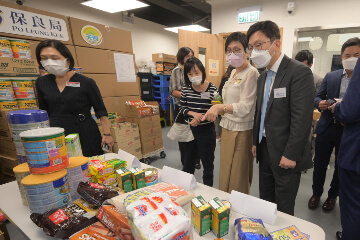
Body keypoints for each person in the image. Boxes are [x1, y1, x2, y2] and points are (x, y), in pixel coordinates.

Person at [248, 21, 314, 215]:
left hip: (286, 152)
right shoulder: (262, 77)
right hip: (265, 147)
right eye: (251, 47)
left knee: (284, 208)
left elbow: (302, 118)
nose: (254, 51)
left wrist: (291, 154)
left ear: (276, 44)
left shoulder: (298, 72)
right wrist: (255, 141)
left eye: (259, 45)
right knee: (266, 201)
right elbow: (260, 112)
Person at [202, 32, 259, 194]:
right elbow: (229, 100)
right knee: (226, 169)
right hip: (227, 128)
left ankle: (237, 210)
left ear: (247, 51)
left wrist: (222, 108)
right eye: (229, 50)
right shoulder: (233, 72)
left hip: (242, 130)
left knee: (238, 176)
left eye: (237, 49)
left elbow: (245, 107)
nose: (232, 54)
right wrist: (218, 104)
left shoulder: (251, 73)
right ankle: (225, 205)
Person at [35, 40, 114, 157]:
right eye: (44, 58)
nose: (49, 62)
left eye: (54, 58)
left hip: (85, 130)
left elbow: (100, 110)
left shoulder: (86, 82)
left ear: (68, 59)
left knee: (91, 165)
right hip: (58, 134)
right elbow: (44, 112)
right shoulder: (41, 82)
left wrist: (107, 134)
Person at [308, 37, 360, 212]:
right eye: (348, 55)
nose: (352, 58)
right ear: (342, 56)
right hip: (327, 126)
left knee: (340, 165)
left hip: (349, 130)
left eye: (357, 55)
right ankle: (316, 193)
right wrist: (319, 103)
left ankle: (332, 196)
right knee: (320, 163)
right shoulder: (331, 76)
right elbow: (318, 96)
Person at [329, 57, 360, 240]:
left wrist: (337, 107)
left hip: (355, 153)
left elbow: (349, 110)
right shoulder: (331, 77)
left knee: (354, 207)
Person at [180, 57, 218, 186]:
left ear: (202, 71)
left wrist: (200, 119)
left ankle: (208, 189)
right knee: (188, 163)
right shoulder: (186, 89)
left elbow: (217, 110)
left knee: (208, 165)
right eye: (190, 74)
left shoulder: (212, 89)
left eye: (196, 72)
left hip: (207, 131)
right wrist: (193, 114)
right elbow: (183, 108)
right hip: (190, 131)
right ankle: (185, 188)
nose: (193, 76)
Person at [169, 47, 201, 169]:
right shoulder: (176, 71)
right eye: (187, 56)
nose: (190, 58)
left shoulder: (194, 69)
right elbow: (173, 91)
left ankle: (197, 160)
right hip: (181, 107)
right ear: (181, 57)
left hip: (195, 107)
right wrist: (188, 95)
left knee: (195, 134)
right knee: (183, 136)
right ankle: (185, 161)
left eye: (192, 56)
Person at [215, 65, 236, 141]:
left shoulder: (224, 77)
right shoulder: (229, 79)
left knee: (219, 119)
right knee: (222, 119)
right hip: (226, 103)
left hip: (221, 101)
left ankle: (218, 136)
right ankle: (219, 135)